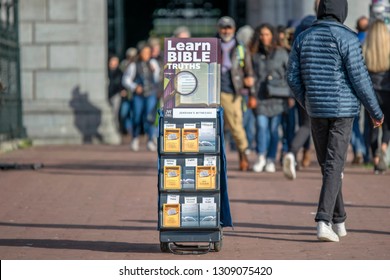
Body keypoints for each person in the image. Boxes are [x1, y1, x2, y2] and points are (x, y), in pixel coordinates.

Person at [287, 0, 384, 242]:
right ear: (343, 11)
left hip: (317, 109)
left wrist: (307, 100)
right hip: (343, 109)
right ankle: (323, 220)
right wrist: (376, 111)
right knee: (334, 164)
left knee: (329, 165)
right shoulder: (348, 38)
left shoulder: (303, 37)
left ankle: (339, 219)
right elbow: (360, 79)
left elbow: (292, 76)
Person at [249, 23, 289, 173]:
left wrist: (291, 95)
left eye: (267, 34)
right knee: (261, 126)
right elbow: (251, 73)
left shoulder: (281, 53)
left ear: (272, 36)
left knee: (274, 130)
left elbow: (289, 74)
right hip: (260, 96)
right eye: (261, 34)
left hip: (278, 96)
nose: (264, 37)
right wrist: (250, 92)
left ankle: (271, 158)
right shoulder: (254, 54)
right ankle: (261, 156)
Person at [217, 16, 255, 171]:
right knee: (214, 128)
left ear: (233, 29)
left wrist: (252, 94)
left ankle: (243, 154)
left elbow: (249, 72)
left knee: (236, 125)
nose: (226, 30)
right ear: (218, 29)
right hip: (213, 91)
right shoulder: (211, 45)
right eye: (223, 27)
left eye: (229, 27)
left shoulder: (240, 48)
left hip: (232, 91)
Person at [122, 42, 160, 152]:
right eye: (144, 52)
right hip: (138, 95)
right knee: (137, 116)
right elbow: (125, 80)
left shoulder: (153, 63)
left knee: (150, 117)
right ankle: (135, 138)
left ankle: (150, 139)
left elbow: (157, 79)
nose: (146, 54)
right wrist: (134, 87)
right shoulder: (134, 65)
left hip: (151, 93)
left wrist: (155, 71)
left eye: (148, 52)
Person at [363, 19, 390, 174]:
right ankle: (384, 147)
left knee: (373, 126)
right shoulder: (388, 48)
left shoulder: (366, 48)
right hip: (387, 92)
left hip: (371, 93)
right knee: (387, 125)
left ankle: (375, 159)